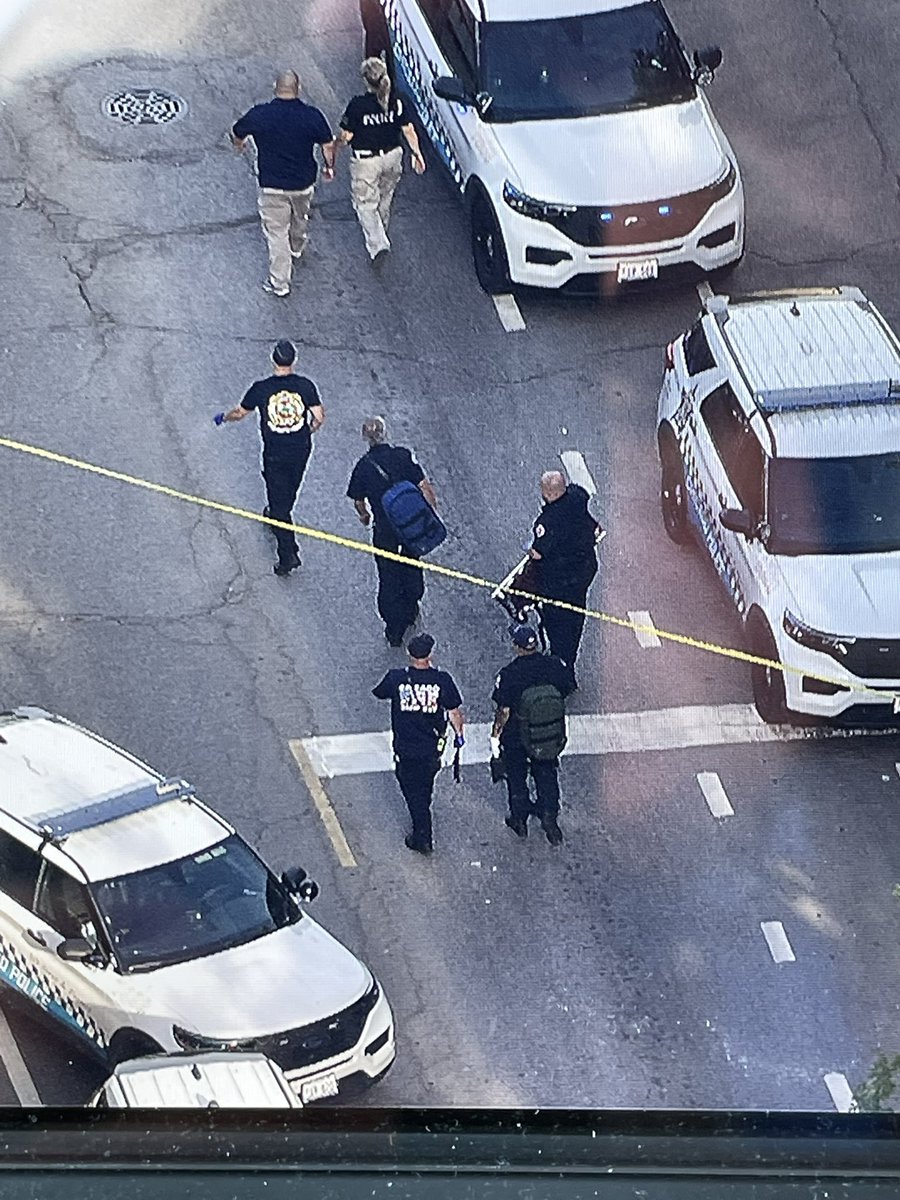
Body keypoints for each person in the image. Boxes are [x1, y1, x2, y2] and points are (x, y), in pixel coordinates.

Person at [215, 340, 324, 576]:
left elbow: (240, 413)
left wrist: (223, 417)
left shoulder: (261, 389)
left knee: (278, 499)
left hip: (275, 452)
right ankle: (277, 511)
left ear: (273, 360)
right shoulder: (305, 386)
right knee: (290, 489)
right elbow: (318, 416)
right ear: (293, 361)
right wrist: (309, 430)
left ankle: (288, 553)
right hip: (301, 449)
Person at [231, 70, 337, 297]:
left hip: (272, 186)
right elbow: (327, 145)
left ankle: (280, 283)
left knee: (277, 232)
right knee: (300, 216)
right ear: (298, 88)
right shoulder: (312, 116)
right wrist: (330, 167)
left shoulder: (261, 114)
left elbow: (238, 131)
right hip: (303, 183)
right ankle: (296, 247)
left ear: (274, 87)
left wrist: (239, 145)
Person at [347, 416, 437, 646]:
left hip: (385, 530)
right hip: (410, 527)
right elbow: (424, 487)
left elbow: (358, 500)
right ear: (386, 433)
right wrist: (430, 516)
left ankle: (393, 628)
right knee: (411, 563)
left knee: (387, 576)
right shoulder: (403, 456)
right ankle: (411, 605)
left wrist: (365, 516)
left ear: (365, 438)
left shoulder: (363, 467)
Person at [373, 634, 465, 854]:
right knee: (424, 789)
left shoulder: (396, 678)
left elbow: (379, 692)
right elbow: (454, 712)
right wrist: (459, 735)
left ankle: (422, 836)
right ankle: (422, 822)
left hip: (405, 749)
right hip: (431, 750)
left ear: (409, 654)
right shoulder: (442, 680)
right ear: (430, 655)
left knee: (412, 792)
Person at [491, 624, 575, 845]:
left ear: (517, 647)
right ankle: (549, 817)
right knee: (547, 772)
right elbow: (565, 690)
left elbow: (504, 710)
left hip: (516, 736)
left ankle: (519, 819)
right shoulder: (554, 666)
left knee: (516, 775)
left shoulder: (509, 674)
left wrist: (495, 736)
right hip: (546, 732)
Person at [337, 56, 425, 261]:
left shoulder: (357, 106)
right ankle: (381, 229)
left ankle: (378, 243)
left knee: (365, 204)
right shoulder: (398, 101)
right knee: (385, 198)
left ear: (365, 80)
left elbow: (347, 136)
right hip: (393, 156)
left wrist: (337, 143)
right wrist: (417, 153)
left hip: (367, 162)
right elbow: (408, 129)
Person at [527, 470, 601, 685]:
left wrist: (531, 551)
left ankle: (562, 671)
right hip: (583, 574)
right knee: (575, 621)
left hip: (557, 583)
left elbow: (539, 552)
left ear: (547, 493)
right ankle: (569, 662)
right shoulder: (578, 499)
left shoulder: (548, 521)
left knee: (557, 627)